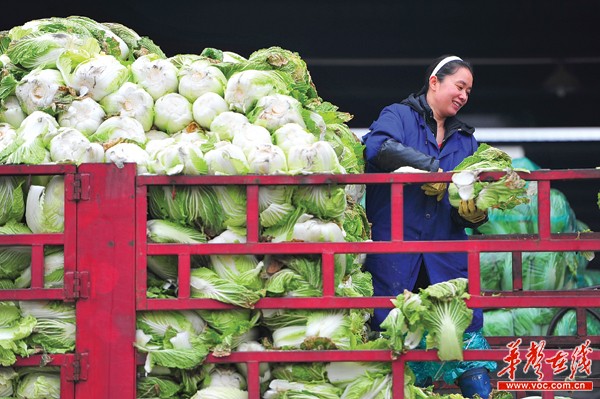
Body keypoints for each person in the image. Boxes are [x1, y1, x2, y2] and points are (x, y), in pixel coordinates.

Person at [361, 55, 495, 398]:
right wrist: (432, 170)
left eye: (469, 90)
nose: (464, 95)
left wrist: (471, 213)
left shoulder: (466, 141)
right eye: (459, 86)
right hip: (395, 255)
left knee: (465, 345)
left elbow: (462, 203)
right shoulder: (398, 115)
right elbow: (377, 148)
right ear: (435, 81)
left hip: (445, 257)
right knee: (398, 344)